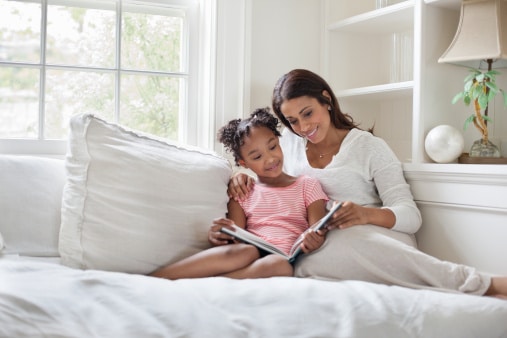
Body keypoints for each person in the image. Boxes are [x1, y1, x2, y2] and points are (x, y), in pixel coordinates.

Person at [228, 68, 507, 298]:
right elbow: (267, 174)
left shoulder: (369, 147)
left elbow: (411, 217)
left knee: (345, 242)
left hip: (373, 233)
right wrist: (241, 177)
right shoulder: (287, 146)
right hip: (316, 243)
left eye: (308, 113)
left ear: (326, 99)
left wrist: (364, 214)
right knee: (304, 262)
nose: (302, 127)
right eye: (292, 121)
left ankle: (484, 284)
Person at [150, 107, 330, 280]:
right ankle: (159, 277)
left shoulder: (307, 185)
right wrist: (220, 236)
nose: (270, 159)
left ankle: (209, 283)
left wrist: (314, 240)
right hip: (247, 252)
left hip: (280, 258)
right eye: (257, 157)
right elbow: (235, 238)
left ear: (278, 141)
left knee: (281, 266)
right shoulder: (243, 191)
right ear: (244, 163)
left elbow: (317, 231)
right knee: (246, 251)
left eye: (273, 147)